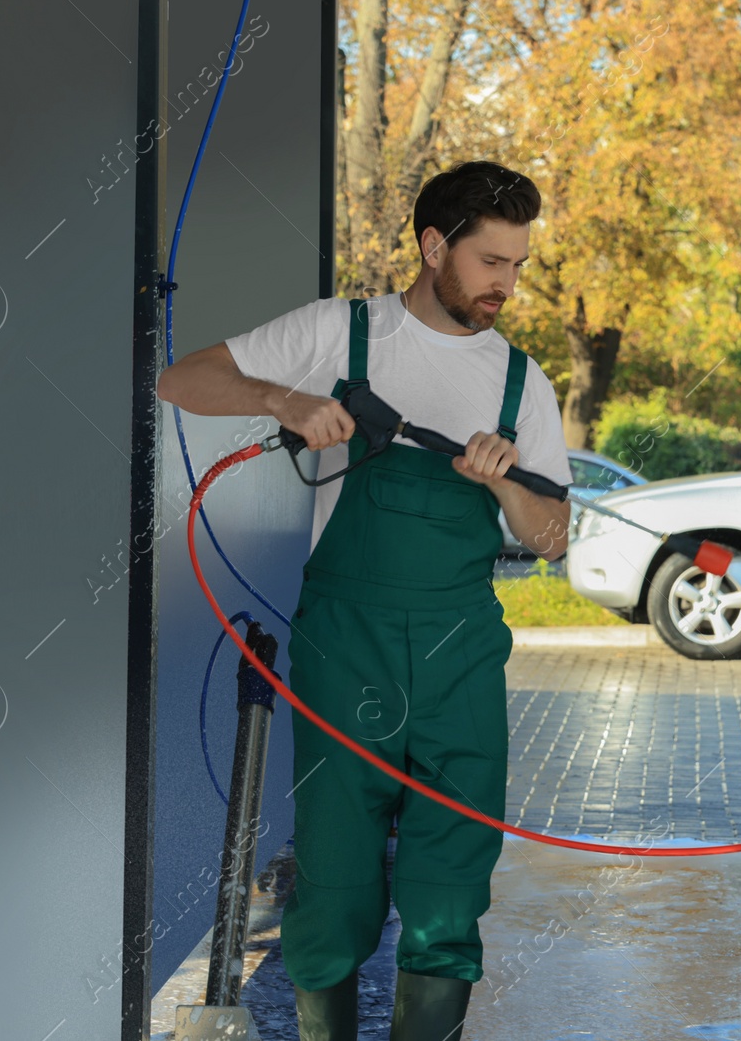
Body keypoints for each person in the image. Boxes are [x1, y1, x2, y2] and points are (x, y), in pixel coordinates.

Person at [156, 160, 572, 1041]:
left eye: (518, 264)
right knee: (336, 880)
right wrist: (287, 400)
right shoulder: (339, 335)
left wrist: (505, 487)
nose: (507, 283)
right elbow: (181, 380)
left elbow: (553, 537)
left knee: (448, 883)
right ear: (433, 246)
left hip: (461, 657)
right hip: (348, 647)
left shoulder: (519, 382)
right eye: (491, 261)